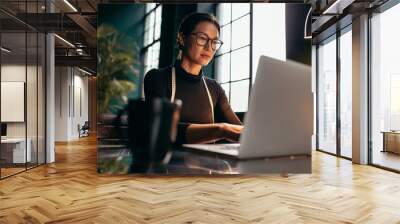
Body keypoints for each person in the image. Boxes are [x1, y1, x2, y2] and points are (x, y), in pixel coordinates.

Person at [144, 12, 243, 145]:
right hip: (169, 164)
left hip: (207, 164)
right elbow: (163, 129)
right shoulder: (157, 77)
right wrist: (220, 130)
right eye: (202, 38)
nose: (209, 48)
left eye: (214, 42)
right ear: (182, 38)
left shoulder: (214, 88)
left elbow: (238, 127)